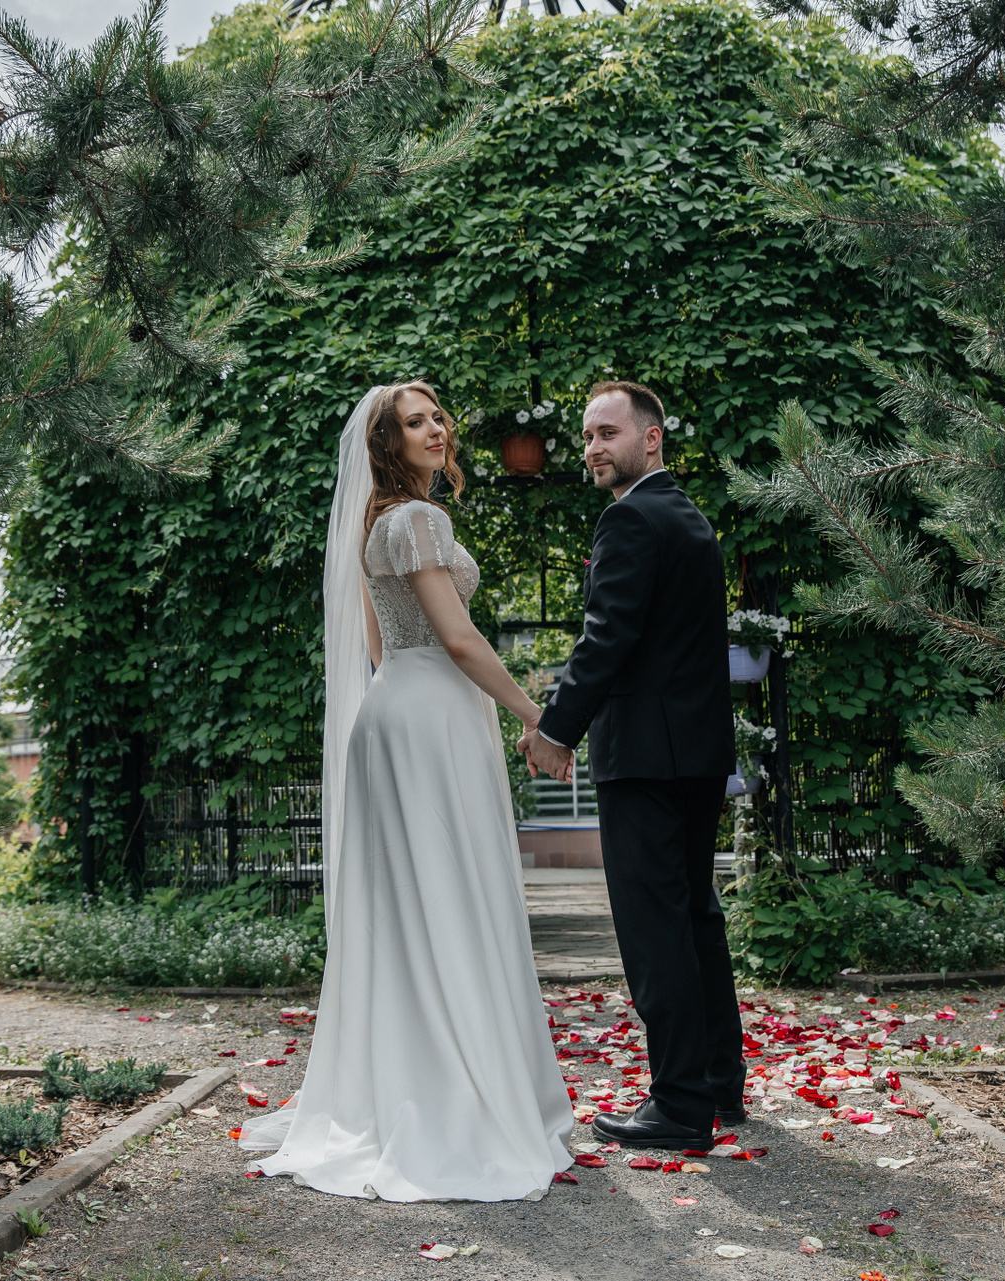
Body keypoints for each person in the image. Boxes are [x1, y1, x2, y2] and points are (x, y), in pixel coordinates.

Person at [239, 382, 574, 1201]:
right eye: (414, 421)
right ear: (388, 442)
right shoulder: (418, 520)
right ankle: (458, 1091)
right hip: (430, 717)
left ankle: (406, 1085)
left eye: (437, 416)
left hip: (394, 712)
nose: (435, 428)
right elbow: (456, 637)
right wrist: (536, 714)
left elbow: (379, 643)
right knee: (451, 892)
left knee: (410, 905)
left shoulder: (373, 524)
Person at [519, 380, 744, 1150]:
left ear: (652, 438)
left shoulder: (630, 518)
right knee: (695, 917)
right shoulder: (688, 517)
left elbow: (606, 638)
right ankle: (718, 1082)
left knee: (656, 929)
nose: (593, 447)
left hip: (646, 759)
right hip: (696, 756)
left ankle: (679, 1104)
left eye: (608, 433)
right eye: (587, 435)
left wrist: (555, 730)